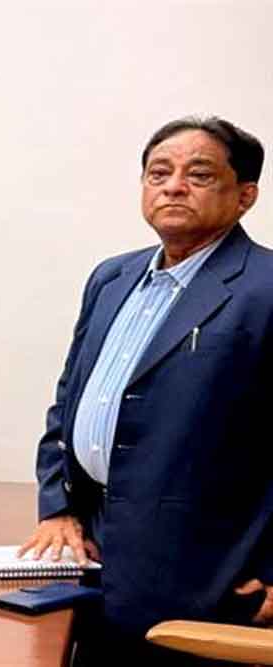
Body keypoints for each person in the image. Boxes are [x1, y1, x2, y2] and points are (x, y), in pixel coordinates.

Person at [20, 116, 272, 664]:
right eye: (159, 173)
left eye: (199, 175)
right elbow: (68, 402)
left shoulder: (265, 287)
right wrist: (57, 507)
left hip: (210, 573)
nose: (173, 186)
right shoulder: (112, 278)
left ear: (245, 196)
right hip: (94, 557)